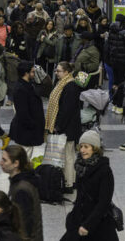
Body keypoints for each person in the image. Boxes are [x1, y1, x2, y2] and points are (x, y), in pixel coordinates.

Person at [60, 130, 119, 241]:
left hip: (98, 225)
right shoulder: (80, 167)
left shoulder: (105, 171)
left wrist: (88, 225)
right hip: (80, 221)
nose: (82, 150)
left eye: (86, 147)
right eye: (81, 146)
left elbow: (103, 203)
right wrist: (72, 218)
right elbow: (79, 197)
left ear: (95, 148)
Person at [45, 62, 81, 193]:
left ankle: (69, 183)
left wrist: (58, 126)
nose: (56, 73)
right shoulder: (63, 83)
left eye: (58, 71)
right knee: (69, 154)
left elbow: (67, 110)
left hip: (68, 127)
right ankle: (72, 180)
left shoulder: (70, 86)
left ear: (66, 72)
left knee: (68, 155)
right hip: (69, 126)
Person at [0, 145, 43, 241]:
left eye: (4, 160)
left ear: (16, 163)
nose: (0, 163)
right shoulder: (21, 180)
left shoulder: (21, 190)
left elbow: (24, 224)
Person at [9, 61, 45, 159]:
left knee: (25, 157)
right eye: (32, 72)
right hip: (26, 131)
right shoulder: (21, 89)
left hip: (27, 130)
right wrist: (32, 125)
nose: (34, 74)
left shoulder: (28, 85)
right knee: (24, 158)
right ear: (26, 73)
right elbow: (22, 112)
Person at [107, 14, 125, 114]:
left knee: (115, 82)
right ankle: (120, 106)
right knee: (122, 83)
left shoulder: (111, 31)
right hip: (123, 61)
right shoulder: (124, 33)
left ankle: (114, 104)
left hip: (114, 61)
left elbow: (109, 45)